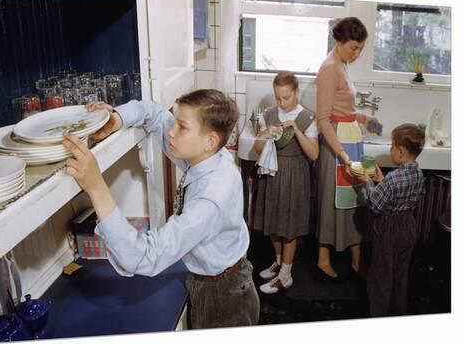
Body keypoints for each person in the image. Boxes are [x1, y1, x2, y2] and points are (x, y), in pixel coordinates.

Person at [62, 89, 260, 329]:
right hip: (221, 279)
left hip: (222, 297)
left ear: (210, 140)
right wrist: (115, 119)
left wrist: (96, 187)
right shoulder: (210, 158)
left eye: (182, 127)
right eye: (175, 121)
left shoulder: (210, 200)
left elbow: (145, 256)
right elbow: (153, 113)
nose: (171, 131)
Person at [314, 17, 382, 280]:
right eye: (354, 47)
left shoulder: (342, 63)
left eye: (361, 48)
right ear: (340, 42)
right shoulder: (330, 68)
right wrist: (342, 154)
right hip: (337, 146)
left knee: (355, 198)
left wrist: (365, 119)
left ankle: (355, 260)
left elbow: (344, 108)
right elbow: (323, 119)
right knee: (333, 202)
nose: (358, 53)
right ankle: (323, 258)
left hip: (349, 139)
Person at [252, 72, 319, 294]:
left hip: (295, 176)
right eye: (278, 97)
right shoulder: (269, 114)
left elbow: (314, 154)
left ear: (297, 92)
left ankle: (286, 276)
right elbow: (258, 149)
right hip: (272, 174)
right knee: (273, 223)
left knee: (289, 228)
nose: (282, 102)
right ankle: (279, 263)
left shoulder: (308, 117)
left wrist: (298, 131)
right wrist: (264, 134)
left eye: (287, 97)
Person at [355, 123, 426, 316]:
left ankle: (379, 316)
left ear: (401, 151)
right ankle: (397, 313)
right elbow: (408, 194)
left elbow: (375, 205)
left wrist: (368, 182)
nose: (390, 150)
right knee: (400, 275)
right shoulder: (419, 174)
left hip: (390, 230)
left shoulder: (392, 179)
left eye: (392, 146)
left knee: (381, 277)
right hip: (409, 226)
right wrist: (381, 181)